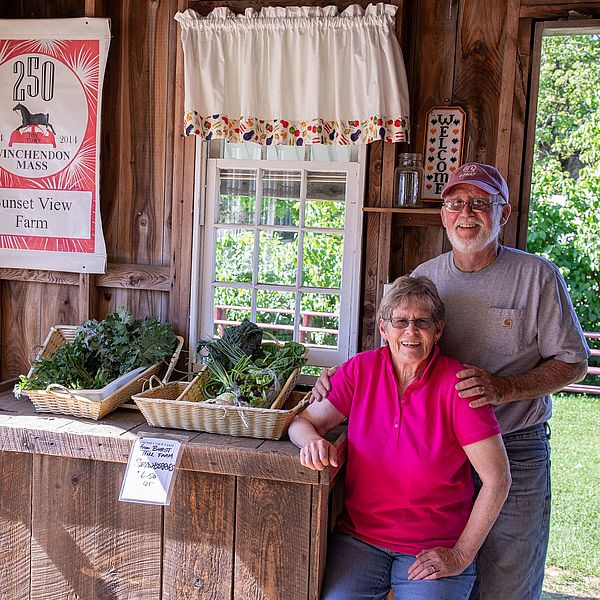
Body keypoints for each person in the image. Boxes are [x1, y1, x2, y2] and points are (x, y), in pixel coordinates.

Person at [313, 162, 591, 600]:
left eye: (480, 203)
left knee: (508, 579)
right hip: (440, 450)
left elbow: (574, 363)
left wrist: (506, 388)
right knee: (447, 573)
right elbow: (395, 346)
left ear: (503, 213)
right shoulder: (428, 276)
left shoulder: (537, 276)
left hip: (514, 445)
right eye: (456, 203)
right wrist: (338, 376)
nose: (467, 212)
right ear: (443, 214)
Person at [289, 276, 512, 600]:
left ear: (438, 331)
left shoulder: (458, 385)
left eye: (422, 322)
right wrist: (310, 441)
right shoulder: (360, 370)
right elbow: (303, 421)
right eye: (400, 321)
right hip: (360, 540)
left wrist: (460, 555)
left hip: (434, 546)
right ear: (384, 328)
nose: (410, 331)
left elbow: (498, 479)